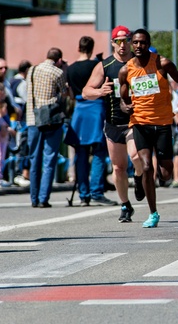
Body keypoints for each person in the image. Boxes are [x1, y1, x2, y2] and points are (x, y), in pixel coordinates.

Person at [118, 29, 178, 227]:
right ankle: (153, 212)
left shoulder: (162, 63)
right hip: (140, 123)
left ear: (148, 43)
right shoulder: (126, 70)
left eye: (143, 43)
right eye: (135, 43)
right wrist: (126, 106)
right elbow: (123, 97)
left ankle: (150, 177)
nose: (139, 46)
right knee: (147, 166)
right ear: (132, 44)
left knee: (165, 173)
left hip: (164, 123)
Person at [82, 26, 144, 221]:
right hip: (113, 122)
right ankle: (125, 205)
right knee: (118, 167)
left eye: (126, 40)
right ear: (112, 43)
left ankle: (139, 178)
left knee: (135, 156)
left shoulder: (140, 62)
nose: (123, 45)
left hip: (136, 119)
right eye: (118, 41)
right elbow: (86, 91)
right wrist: (100, 91)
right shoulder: (105, 66)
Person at [66, 36, 114, 206]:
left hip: (79, 108)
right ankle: (96, 191)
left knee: (81, 153)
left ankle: (83, 194)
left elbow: (70, 95)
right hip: (96, 107)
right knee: (100, 151)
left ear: (79, 48)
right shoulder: (97, 65)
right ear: (92, 48)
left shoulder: (70, 69)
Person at [26, 48, 68, 208]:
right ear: (58, 60)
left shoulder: (32, 69)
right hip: (51, 119)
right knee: (49, 159)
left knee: (34, 159)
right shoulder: (57, 72)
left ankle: (34, 198)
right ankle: (44, 198)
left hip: (33, 119)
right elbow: (64, 94)